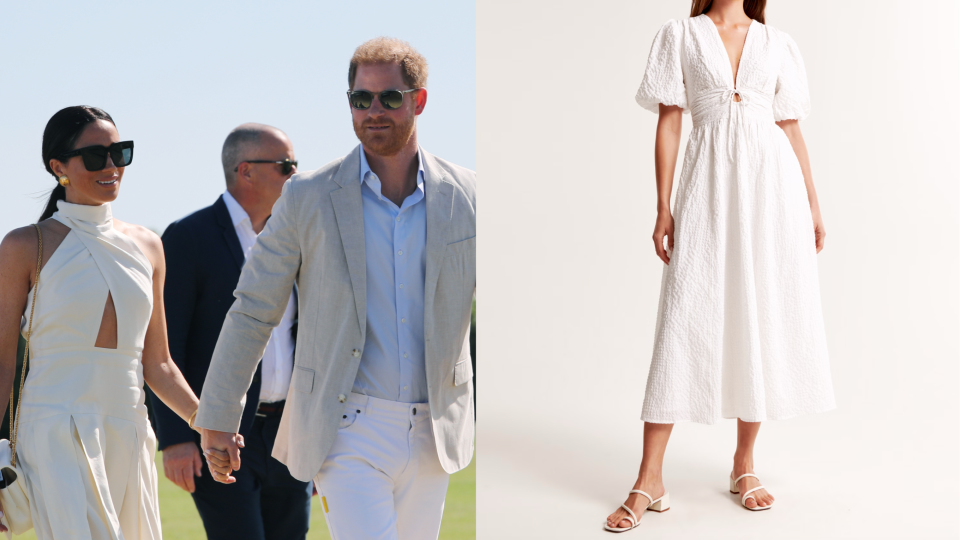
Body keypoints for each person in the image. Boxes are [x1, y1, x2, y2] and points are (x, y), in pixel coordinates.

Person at [195, 36, 476, 540]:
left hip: (436, 428)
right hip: (347, 425)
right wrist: (217, 413)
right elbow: (254, 309)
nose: (373, 110)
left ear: (419, 100)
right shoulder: (307, 196)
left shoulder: (469, 196)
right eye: (360, 98)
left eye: (389, 97)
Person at [604, 0, 835, 532]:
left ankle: (744, 464)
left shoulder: (777, 44)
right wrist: (663, 206)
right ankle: (649, 478)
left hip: (770, 192)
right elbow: (669, 121)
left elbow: (791, 128)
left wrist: (812, 205)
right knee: (682, 323)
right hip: (706, 186)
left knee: (756, 312)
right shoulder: (680, 35)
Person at [0, 105, 201, 538]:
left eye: (119, 153)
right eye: (95, 156)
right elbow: (2, 363)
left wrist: (207, 422)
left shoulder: (149, 246)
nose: (111, 166)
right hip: (53, 428)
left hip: (128, 426)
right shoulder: (24, 245)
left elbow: (159, 365)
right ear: (59, 167)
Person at [149, 123, 312, 539]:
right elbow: (168, 346)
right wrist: (176, 439)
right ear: (246, 171)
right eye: (285, 165)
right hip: (221, 435)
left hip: (289, 435)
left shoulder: (295, 237)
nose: (296, 174)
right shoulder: (188, 238)